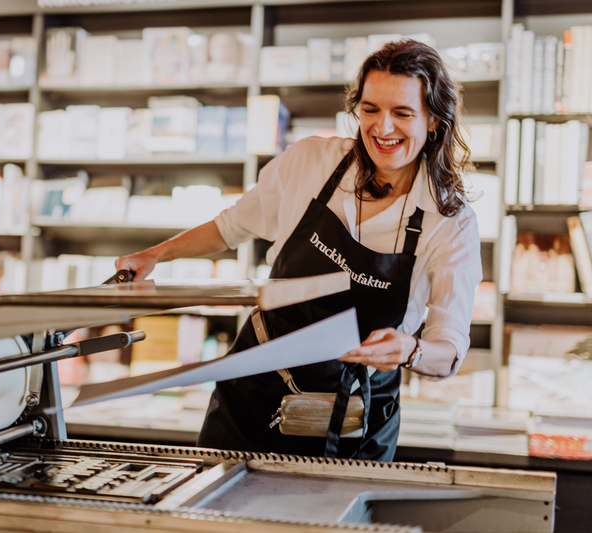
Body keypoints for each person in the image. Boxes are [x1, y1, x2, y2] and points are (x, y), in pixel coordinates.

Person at [116, 40, 482, 461]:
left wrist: (410, 350)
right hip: (255, 389)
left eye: (402, 113)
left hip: (355, 415)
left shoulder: (450, 222)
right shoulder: (311, 163)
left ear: (433, 119)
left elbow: (448, 348)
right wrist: (155, 255)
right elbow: (230, 227)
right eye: (370, 109)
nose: (382, 128)